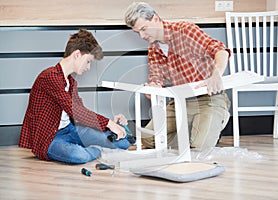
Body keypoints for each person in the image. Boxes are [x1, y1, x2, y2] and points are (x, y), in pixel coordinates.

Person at [124, 2, 231, 150]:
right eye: (137, 32)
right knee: (148, 139)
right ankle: (194, 132)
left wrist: (216, 74)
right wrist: (153, 87)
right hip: (180, 101)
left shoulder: (185, 31)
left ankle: (211, 126)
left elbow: (220, 50)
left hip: (208, 98)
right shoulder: (154, 49)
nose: (141, 36)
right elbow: (156, 79)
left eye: (143, 29)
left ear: (155, 19)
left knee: (200, 146)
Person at [19, 29, 131, 164]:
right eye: (88, 61)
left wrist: (108, 127)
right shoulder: (49, 77)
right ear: (77, 54)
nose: (88, 67)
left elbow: (81, 112)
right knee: (78, 156)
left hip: (72, 130)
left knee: (123, 143)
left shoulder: (71, 82)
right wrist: (108, 123)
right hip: (51, 138)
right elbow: (76, 111)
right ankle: (97, 151)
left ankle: (92, 149)